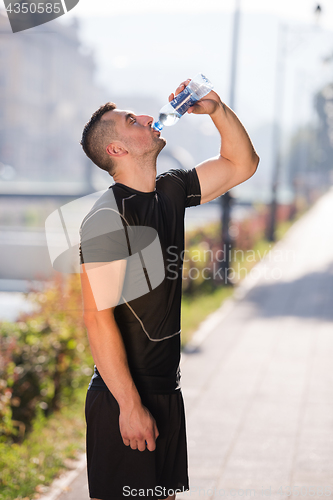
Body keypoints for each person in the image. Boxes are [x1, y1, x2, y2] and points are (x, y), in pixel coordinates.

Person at [79, 79, 260, 500]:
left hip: (165, 390)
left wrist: (217, 111)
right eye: (131, 120)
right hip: (123, 398)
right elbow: (96, 316)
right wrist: (129, 406)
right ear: (117, 150)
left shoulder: (171, 191)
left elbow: (242, 164)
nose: (146, 117)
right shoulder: (107, 217)